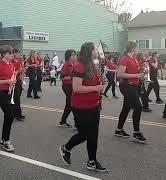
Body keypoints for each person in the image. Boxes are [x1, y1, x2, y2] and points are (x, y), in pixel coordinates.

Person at [59, 42, 107, 172]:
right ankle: (66, 148)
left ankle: (92, 161)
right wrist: (96, 87)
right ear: (89, 51)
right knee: (85, 134)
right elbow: (77, 88)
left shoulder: (94, 65)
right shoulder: (80, 67)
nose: (97, 50)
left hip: (94, 104)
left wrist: (101, 82)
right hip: (81, 106)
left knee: (94, 135)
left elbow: (94, 82)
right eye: (95, 48)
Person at [115, 41, 147, 143]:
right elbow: (120, 74)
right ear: (133, 48)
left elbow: (134, 71)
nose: (138, 50)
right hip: (127, 86)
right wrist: (136, 75)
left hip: (134, 85)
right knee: (138, 107)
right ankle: (136, 133)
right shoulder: (125, 58)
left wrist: (142, 72)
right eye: (137, 48)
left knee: (126, 108)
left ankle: (119, 130)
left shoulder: (134, 59)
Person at [0, 45, 17, 152]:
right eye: (10, 53)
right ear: (4, 54)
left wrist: (13, 81)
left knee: (9, 117)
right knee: (9, 115)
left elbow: (11, 78)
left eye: (12, 53)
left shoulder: (11, 64)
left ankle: (4, 139)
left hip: (10, 93)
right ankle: (6, 140)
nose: (12, 55)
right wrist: (7, 81)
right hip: (1, 93)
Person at [59, 49, 77, 128]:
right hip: (67, 86)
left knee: (69, 105)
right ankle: (77, 123)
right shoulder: (66, 65)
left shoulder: (74, 64)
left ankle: (62, 121)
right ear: (68, 56)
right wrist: (72, 77)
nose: (74, 56)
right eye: (72, 55)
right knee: (72, 104)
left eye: (74, 55)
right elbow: (62, 77)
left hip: (72, 86)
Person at [11, 49, 26, 121]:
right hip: (14, 81)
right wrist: (18, 71)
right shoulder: (11, 62)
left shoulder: (19, 61)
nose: (18, 55)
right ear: (13, 54)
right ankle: (17, 115)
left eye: (19, 53)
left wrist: (23, 70)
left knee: (18, 98)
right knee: (16, 98)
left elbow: (21, 71)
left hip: (19, 81)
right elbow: (11, 72)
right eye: (17, 53)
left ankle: (16, 114)